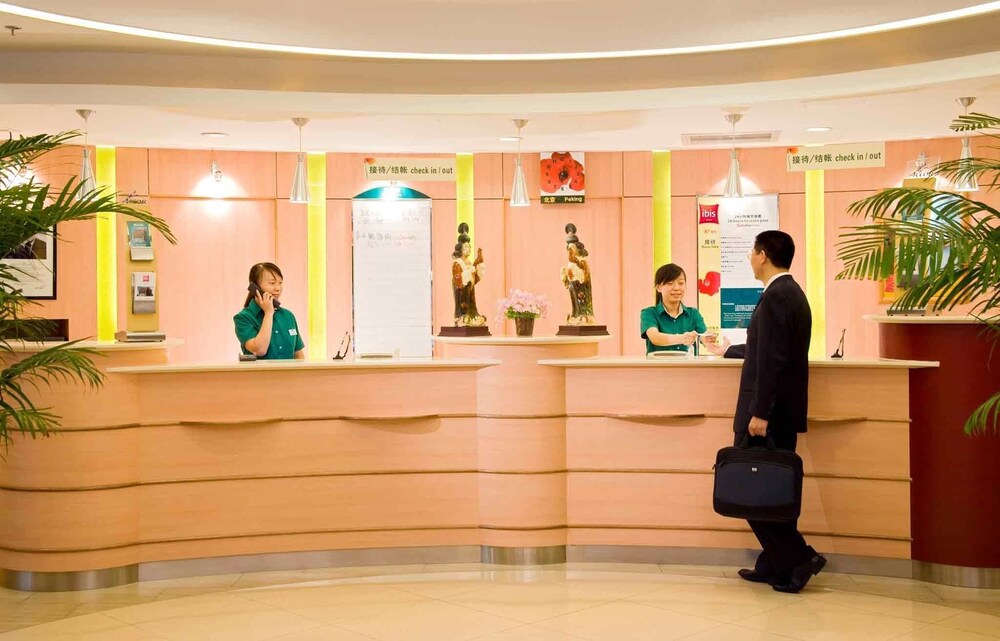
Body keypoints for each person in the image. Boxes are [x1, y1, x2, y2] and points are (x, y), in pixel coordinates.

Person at [703, 230, 824, 593]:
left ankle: (800, 559)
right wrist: (729, 351)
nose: (750, 259)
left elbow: (772, 361)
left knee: (753, 491)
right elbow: (768, 349)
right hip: (780, 411)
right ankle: (774, 564)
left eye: (752, 252)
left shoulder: (776, 296)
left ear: (764, 255)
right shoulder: (790, 292)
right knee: (770, 493)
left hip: (768, 415)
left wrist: (761, 413)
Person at [234, 262, 305, 360]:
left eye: (280, 283)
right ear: (255, 287)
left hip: (289, 371)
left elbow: (298, 354)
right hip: (260, 371)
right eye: (272, 283)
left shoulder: (288, 316)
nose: (278, 288)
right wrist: (268, 313)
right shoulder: (243, 318)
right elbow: (260, 350)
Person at [639, 263, 708, 354]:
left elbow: (704, 337)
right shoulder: (649, 313)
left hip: (687, 363)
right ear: (658, 287)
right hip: (659, 363)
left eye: (681, 283)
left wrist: (708, 340)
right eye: (670, 283)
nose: (676, 288)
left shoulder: (693, 313)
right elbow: (655, 337)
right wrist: (681, 338)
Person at [451, 223, 486, 327]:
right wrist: (469, 272)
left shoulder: (469, 263)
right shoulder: (457, 263)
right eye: (466, 247)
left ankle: (472, 316)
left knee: (471, 304)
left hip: (470, 291)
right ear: (460, 249)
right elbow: (458, 279)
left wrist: (477, 263)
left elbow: (474, 278)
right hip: (461, 290)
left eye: (469, 247)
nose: (469, 249)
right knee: (462, 302)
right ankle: (461, 317)